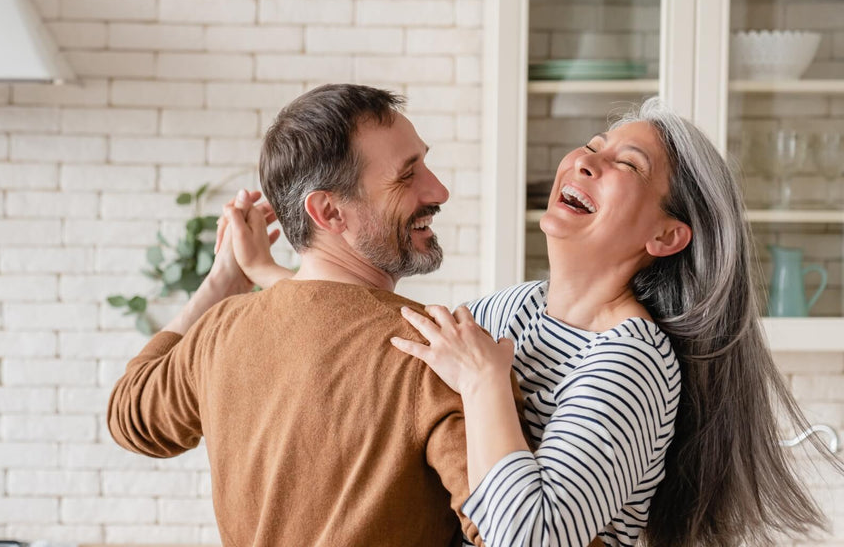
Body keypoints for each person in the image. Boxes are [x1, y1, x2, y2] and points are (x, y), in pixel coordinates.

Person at [224, 97, 836, 547]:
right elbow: (390, 339)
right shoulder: (515, 309)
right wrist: (267, 270)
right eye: (592, 145)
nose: (585, 162)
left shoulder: (630, 363)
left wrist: (488, 384)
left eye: (627, 164)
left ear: (666, 234)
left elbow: (533, 538)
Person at [108, 84, 495, 546]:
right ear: (329, 211)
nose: (439, 190)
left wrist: (222, 283)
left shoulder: (220, 330)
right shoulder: (438, 353)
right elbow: (515, 531)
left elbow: (130, 416)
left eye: (425, 163)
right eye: (406, 176)